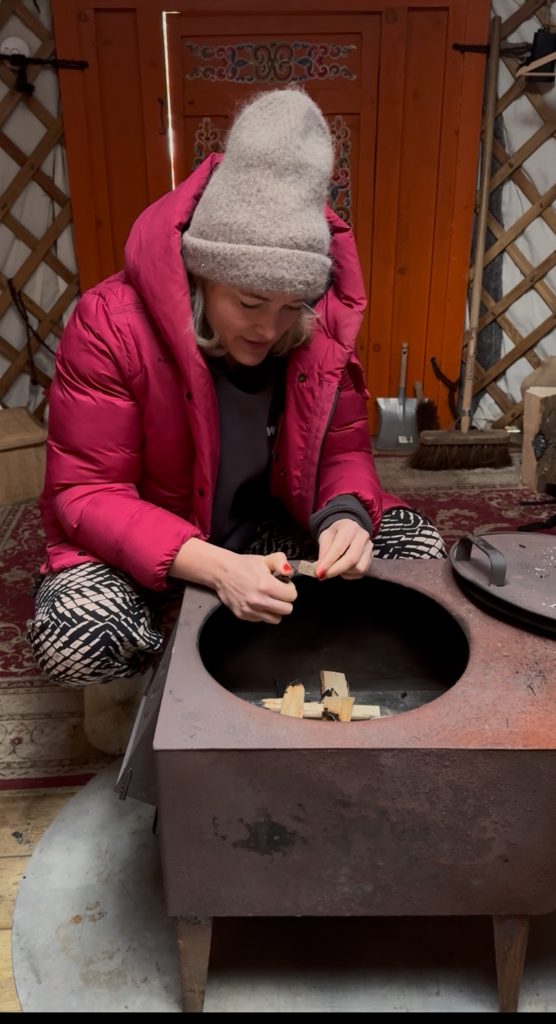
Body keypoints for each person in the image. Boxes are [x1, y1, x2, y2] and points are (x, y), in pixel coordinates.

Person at [27, 87, 446, 754]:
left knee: (414, 554)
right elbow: (84, 494)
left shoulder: (312, 330)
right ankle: (161, 670)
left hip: (262, 530)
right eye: (250, 302)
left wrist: (344, 515)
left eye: (291, 306)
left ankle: (322, 659)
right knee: (86, 634)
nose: (270, 327)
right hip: (145, 547)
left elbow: (342, 450)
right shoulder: (110, 325)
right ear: (203, 275)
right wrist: (213, 568)